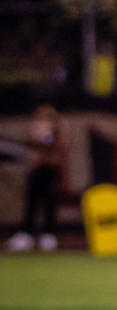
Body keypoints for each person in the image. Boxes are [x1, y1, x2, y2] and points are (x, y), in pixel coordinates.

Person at [6, 105, 65, 252]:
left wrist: (36, 141)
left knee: (49, 203)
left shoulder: (56, 128)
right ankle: (26, 236)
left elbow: (47, 144)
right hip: (36, 170)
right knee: (31, 203)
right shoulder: (37, 127)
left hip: (49, 170)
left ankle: (48, 235)